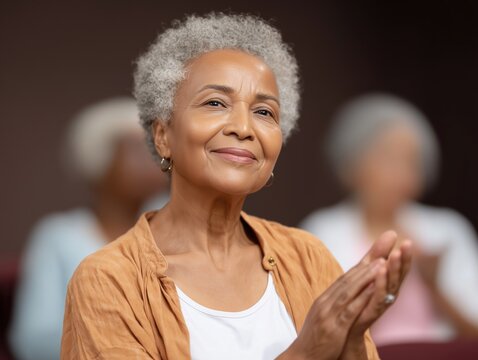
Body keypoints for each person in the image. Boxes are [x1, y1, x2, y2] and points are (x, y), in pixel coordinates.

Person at [61, 14, 412, 360]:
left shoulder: (309, 257)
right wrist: (305, 354)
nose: (244, 127)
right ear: (163, 136)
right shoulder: (108, 279)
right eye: (215, 103)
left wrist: (351, 341)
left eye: (264, 112)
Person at [300, 93, 478, 346]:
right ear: (351, 164)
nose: (400, 173)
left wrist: (433, 285)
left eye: (412, 161)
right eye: (387, 158)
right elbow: (316, 335)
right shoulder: (322, 232)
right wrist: (384, 290)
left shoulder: (447, 229)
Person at [9, 97, 168, 360]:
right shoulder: (58, 237)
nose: (154, 158)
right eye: (138, 149)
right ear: (100, 163)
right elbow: (33, 339)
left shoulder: (178, 227)